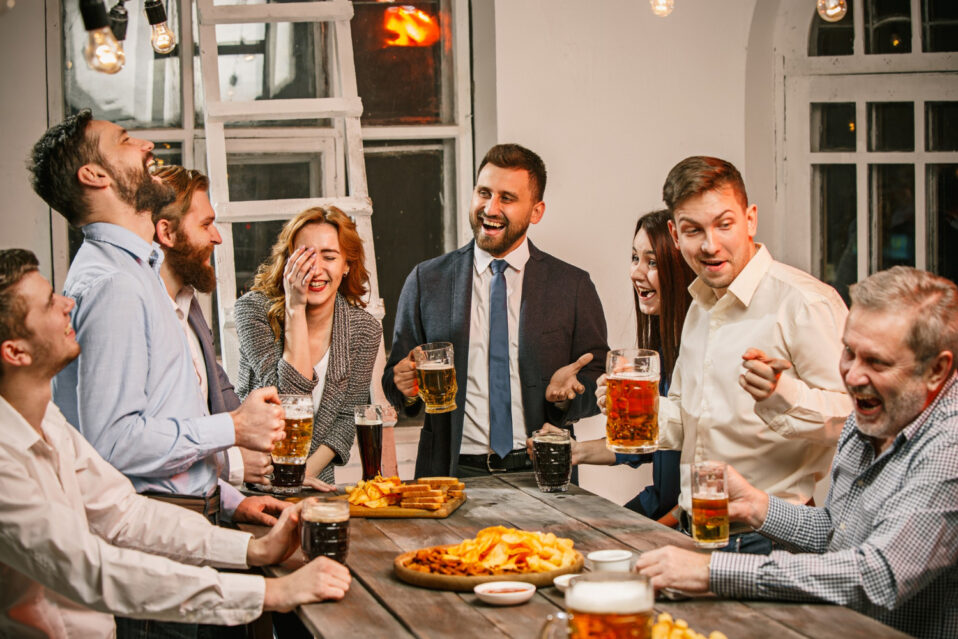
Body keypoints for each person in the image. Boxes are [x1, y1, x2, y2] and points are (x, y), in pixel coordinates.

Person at [0, 248, 351, 638]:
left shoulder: (48, 421)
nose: (68, 303)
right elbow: (95, 571)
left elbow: (125, 514)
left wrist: (253, 551)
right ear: (15, 352)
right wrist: (271, 591)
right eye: (49, 303)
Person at [636, 266, 958, 639]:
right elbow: (838, 533)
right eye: (849, 353)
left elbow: (878, 576)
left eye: (877, 362)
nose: (852, 376)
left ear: (937, 370)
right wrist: (758, 506)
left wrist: (711, 573)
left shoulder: (948, 444)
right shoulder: (873, 411)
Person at [28, 112, 286, 525]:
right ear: (95, 174)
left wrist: (231, 501)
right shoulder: (114, 284)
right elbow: (113, 444)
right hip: (158, 526)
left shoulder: (136, 271)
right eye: (126, 140)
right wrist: (234, 426)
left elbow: (164, 424)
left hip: (187, 512)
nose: (146, 145)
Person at [656, 156, 852, 553]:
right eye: (693, 230)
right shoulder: (700, 304)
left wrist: (783, 396)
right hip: (696, 529)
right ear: (675, 236)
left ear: (750, 220)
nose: (710, 246)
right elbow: (687, 416)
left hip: (771, 536)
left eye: (724, 225)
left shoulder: (805, 302)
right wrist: (637, 409)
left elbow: (854, 419)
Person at [382, 143, 609, 477]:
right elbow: (396, 382)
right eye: (484, 193)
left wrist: (567, 398)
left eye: (507, 198)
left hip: (541, 471)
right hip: (450, 472)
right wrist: (404, 387)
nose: (490, 208)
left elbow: (599, 379)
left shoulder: (572, 286)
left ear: (536, 211)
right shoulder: (426, 280)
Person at [533, 210, 693, 523]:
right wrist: (574, 450)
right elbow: (646, 441)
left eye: (652, 261)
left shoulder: (703, 348)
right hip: (661, 502)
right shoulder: (661, 348)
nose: (636, 272)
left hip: (687, 516)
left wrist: (651, 534)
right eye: (635, 258)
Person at [234, 206, 384, 486]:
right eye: (305, 257)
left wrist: (301, 476)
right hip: (256, 481)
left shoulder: (364, 330)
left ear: (347, 264)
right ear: (288, 261)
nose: (315, 269)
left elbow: (344, 421)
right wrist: (295, 308)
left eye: (329, 257)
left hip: (316, 483)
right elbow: (287, 404)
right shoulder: (252, 311)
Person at [153, 165, 271, 487]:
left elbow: (219, 393)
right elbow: (150, 439)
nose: (217, 237)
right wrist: (231, 463)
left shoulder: (188, 301)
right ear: (167, 233)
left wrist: (277, 461)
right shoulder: (144, 316)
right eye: (206, 224)